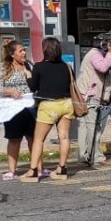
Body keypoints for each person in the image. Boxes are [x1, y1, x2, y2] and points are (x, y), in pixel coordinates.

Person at [20, 38, 73, 182]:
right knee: (64, 137)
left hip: (49, 105)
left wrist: (29, 75)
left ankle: (32, 172)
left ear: (45, 50)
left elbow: (33, 87)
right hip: (67, 104)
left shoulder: (39, 66)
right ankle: (62, 169)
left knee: (38, 139)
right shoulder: (66, 66)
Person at [0, 40, 39, 180]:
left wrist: (31, 77)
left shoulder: (29, 65)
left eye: (24, 50)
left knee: (33, 138)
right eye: (21, 51)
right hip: (12, 108)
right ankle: (12, 170)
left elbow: (35, 84)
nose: (24, 53)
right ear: (12, 54)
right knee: (14, 138)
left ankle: (37, 168)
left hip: (29, 106)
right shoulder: (3, 67)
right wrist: (9, 91)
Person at [76, 37, 111, 167]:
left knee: (85, 126)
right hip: (91, 96)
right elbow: (103, 67)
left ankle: (84, 155)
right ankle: (96, 157)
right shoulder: (95, 54)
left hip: (86, 95)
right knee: (93, 127)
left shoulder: (94, 54)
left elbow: (98, 72)